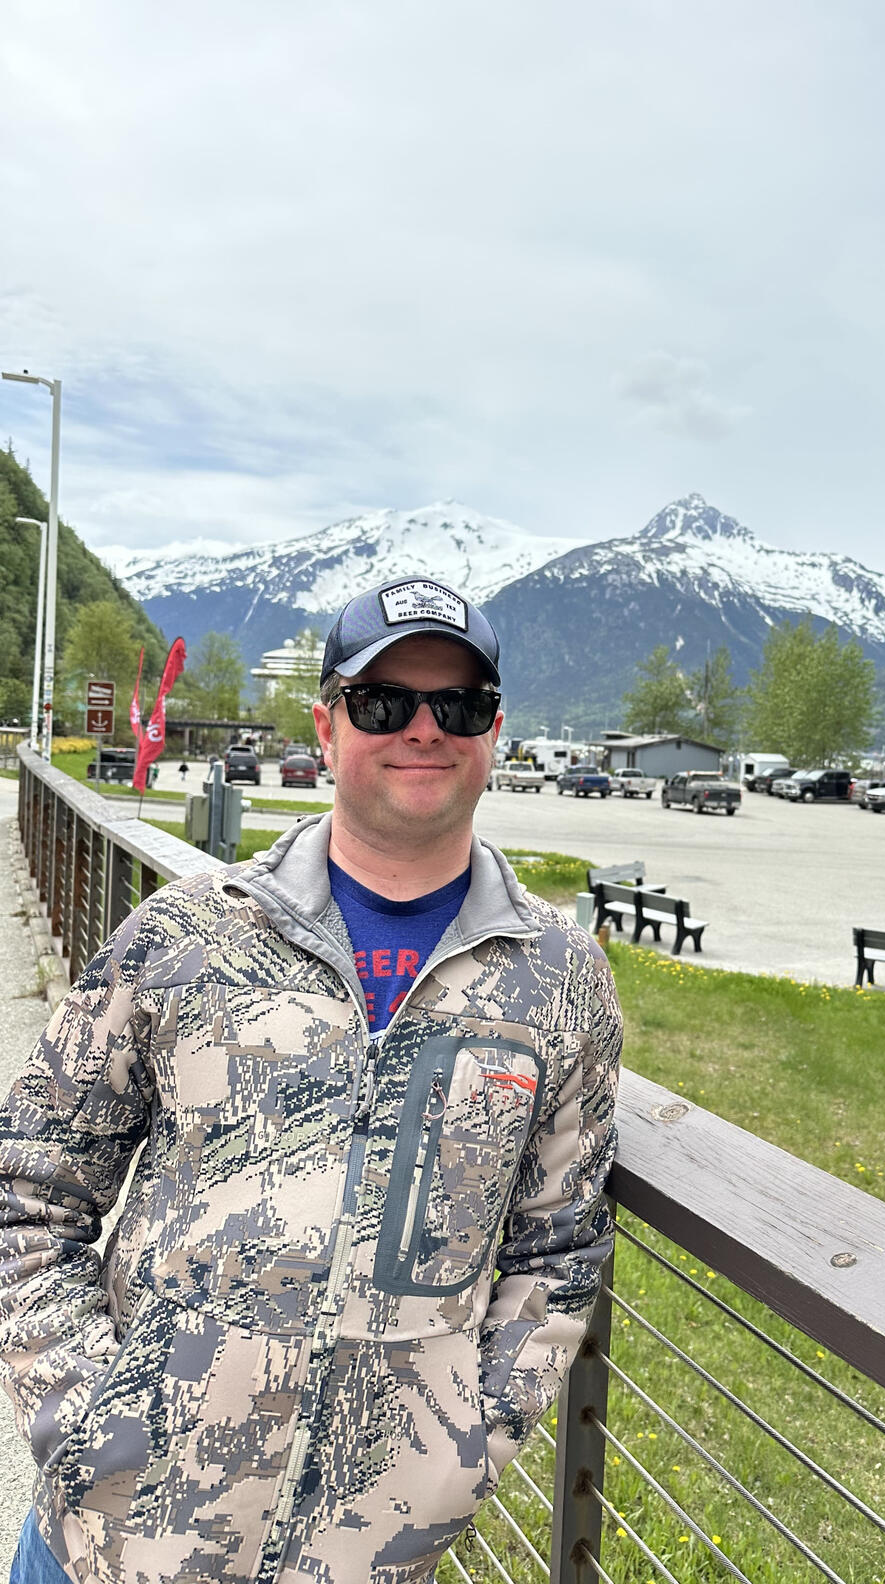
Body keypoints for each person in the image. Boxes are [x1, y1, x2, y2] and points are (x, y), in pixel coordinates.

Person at [0, 575, 622, 1584]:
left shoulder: (559, 978)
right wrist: (85, 1415)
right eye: (385, 703)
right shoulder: (189, 933)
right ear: (328, 728)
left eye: (457, 706)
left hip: (367, 1558)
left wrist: (469, 1445)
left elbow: (562, 1242)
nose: (423, 730)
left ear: (493, 735)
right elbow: (29, 1184)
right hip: (109, 1547)